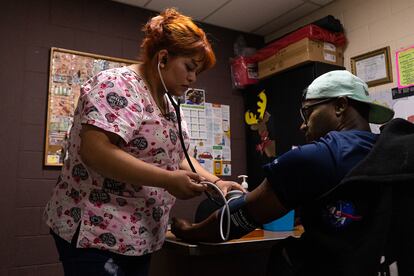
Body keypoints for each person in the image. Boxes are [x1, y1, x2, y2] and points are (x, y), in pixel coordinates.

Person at [44, 8, 242, 276]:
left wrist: (216, 183)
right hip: (96, 232)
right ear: (163, 58)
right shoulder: (116, 84)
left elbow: (179, 157)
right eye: (190, 68)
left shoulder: (169, 103)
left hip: (140, 236)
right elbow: (95, 151)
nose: (193, 78)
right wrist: (168, 180)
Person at [171, 70, 409, 276]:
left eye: (307, 112)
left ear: (339, 106)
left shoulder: (315, 157)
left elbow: (235, 220)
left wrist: (189, 231)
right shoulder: (393, 152)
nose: (303, 125)